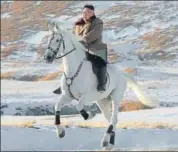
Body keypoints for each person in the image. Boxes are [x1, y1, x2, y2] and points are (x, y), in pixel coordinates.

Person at [53, 4, 108, 95]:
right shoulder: (78, 23)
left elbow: (92, 35)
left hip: (94, 50)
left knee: (100, 64)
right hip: (80, 49)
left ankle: (101, 85)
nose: (85, 14)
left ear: (92, 13)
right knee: (69, 64)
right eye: (83, 12)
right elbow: (73, 35)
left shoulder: (98, 22)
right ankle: (64, 85)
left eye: (87, 12)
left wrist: (78, 42)